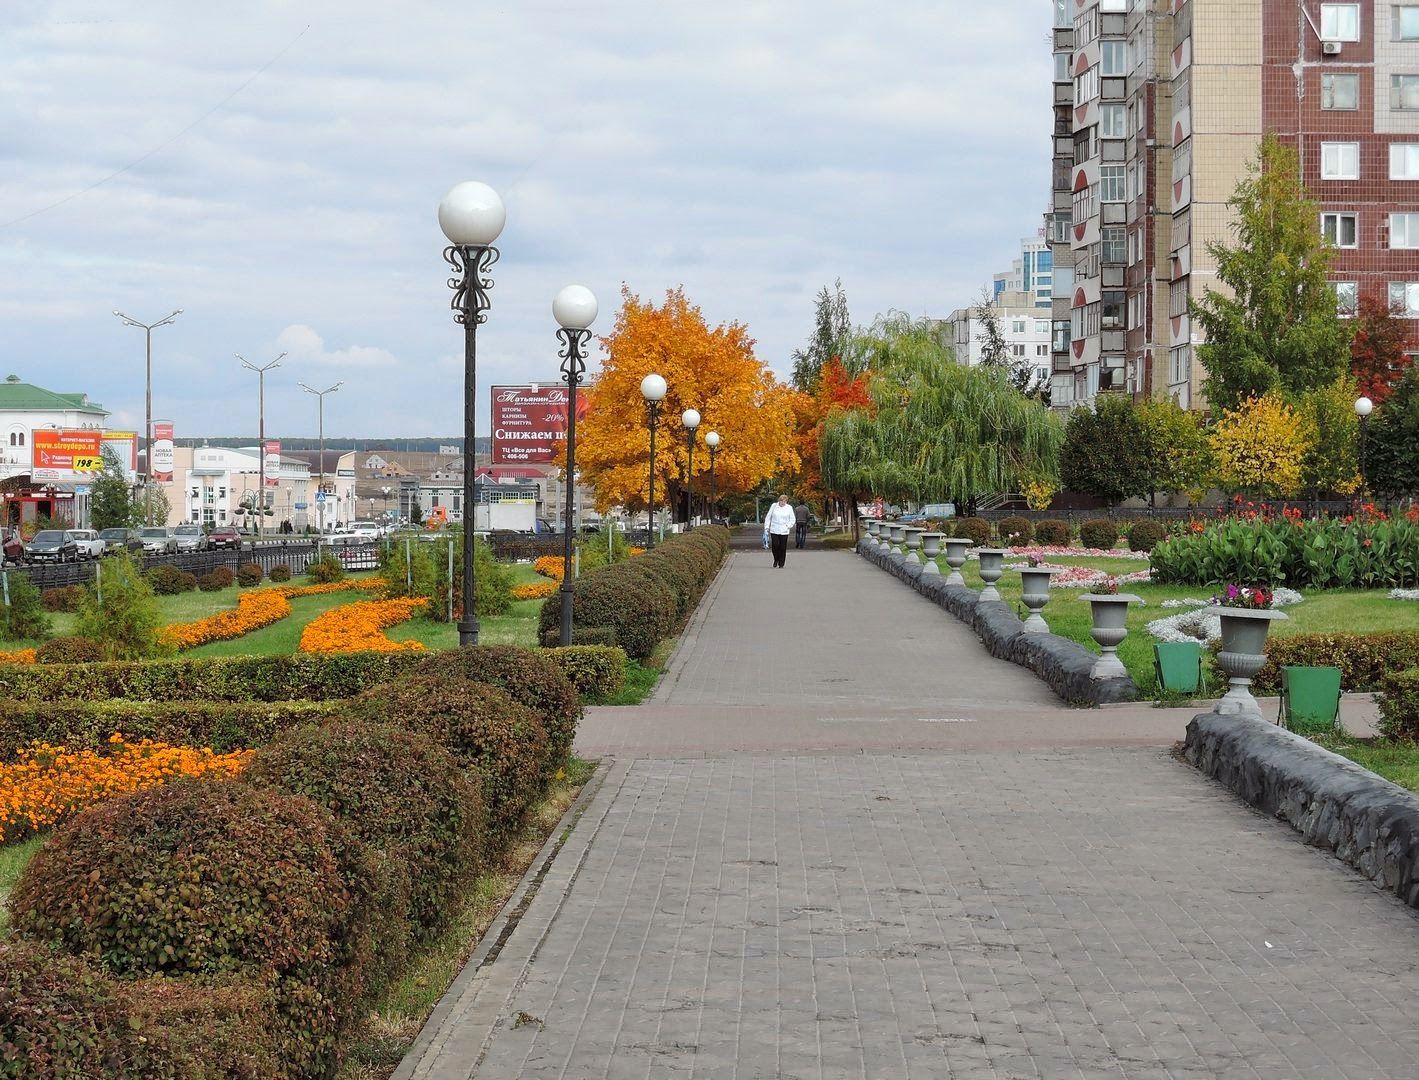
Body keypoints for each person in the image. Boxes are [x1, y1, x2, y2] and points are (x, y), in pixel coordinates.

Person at [763, 494, 796, 569]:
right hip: (774, 529)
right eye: (781, 501)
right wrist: (766, 527)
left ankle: (781, 563)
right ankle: (776, 559)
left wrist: (788, 526)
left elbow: (792, 519)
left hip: (784, 530)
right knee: (775, 545)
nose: (782, 503)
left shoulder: (789, 508)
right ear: (779, 501)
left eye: (784, 501)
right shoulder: (774, 506)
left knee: (782, 547)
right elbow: (768, 517)